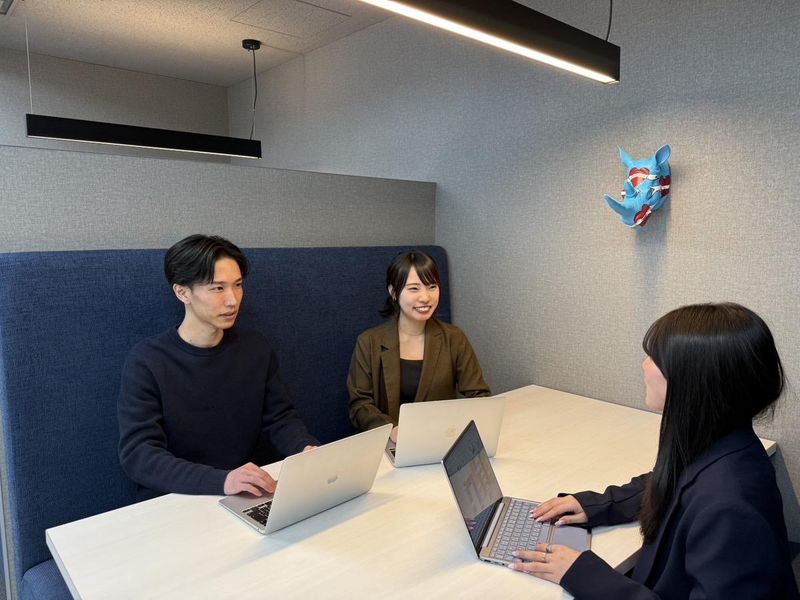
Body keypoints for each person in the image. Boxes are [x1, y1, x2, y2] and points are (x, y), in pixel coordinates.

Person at [508, 302, 799, 599]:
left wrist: (584, 573)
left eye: (655, 358)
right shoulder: (723, 440)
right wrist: (599, 505)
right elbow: (677, 483)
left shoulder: (729, 507)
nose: (644, 366)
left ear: (691, 380)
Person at [118, 234, 318, 501]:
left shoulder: (255, 348)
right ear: (182, 292)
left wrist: (305, 450)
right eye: (217, 288)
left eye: (238, 285)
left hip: (243, 493)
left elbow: (280, 418)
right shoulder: (147, 361)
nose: (233, 300)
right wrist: (223, 480)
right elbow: (139, 455)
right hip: (176, 499)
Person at [348, 251, 491, 437]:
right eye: (414, 288)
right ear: (393, 292)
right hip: (388, 443)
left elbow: (479, 396)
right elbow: (360, 405)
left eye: (432, 287)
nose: (425, 297)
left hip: (441, 439)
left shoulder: (454, 338)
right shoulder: (368, 342)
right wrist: (392, 430)